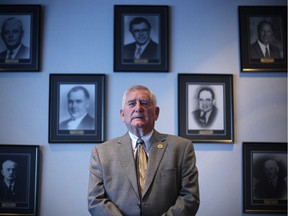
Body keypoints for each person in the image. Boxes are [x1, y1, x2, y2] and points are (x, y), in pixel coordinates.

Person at [88, 85, 200, 216]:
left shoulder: (181, 148)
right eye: (131, 104)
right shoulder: (101, 152)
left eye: (144, 103)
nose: (138, 108)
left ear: (156, 112)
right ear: (122, 115)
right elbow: (95, 200)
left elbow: (190, 197)